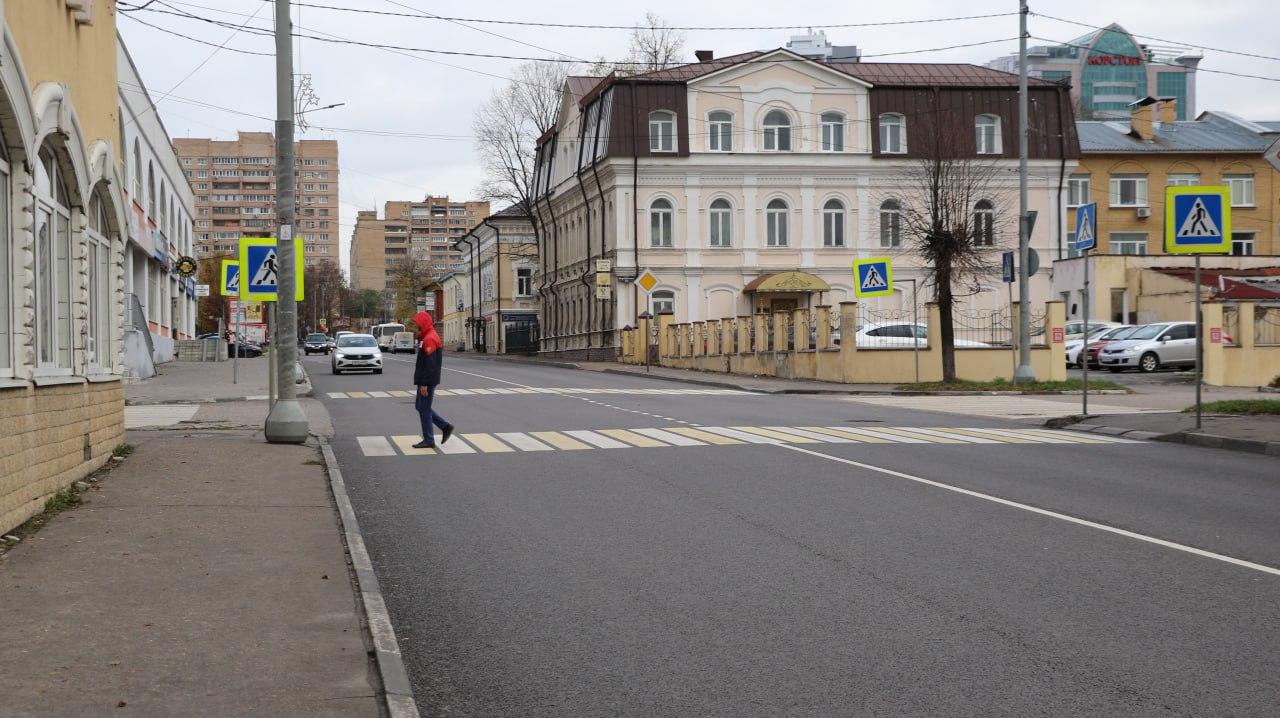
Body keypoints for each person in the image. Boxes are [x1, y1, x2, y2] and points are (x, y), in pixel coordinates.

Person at [411, 311, 454, 450]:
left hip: (427, 380)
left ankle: (429, 439)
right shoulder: (427, 336)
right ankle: (445, 426)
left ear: (423, 323)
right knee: (420, 406)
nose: (416, 326)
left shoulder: (429, 338)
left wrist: (424, 384)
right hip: (425, 379)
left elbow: (430, 364)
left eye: (417, 323)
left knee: (423, 408)